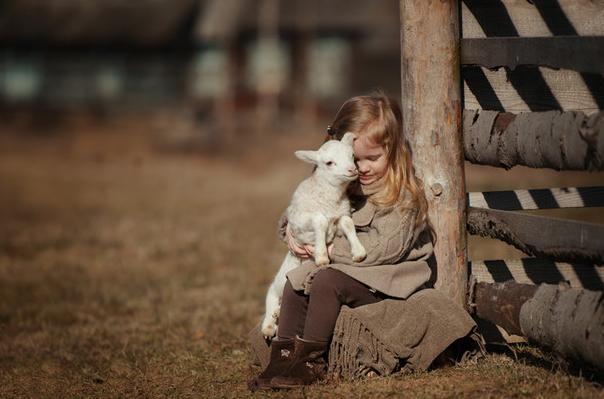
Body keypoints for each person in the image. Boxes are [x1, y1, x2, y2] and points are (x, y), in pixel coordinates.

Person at [249, 91, 435, 391]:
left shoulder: (402, 197)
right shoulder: (344, 184)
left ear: (395, 151)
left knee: (326, 281)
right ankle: (282, 357)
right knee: (297, 281)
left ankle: (311, 361)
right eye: (354, 158)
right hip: (348, 276)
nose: (360, 168)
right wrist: (293, 233)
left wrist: (333, 250)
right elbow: (303, 207)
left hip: (385, 285)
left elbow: (382, 249)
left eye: (372, 158)